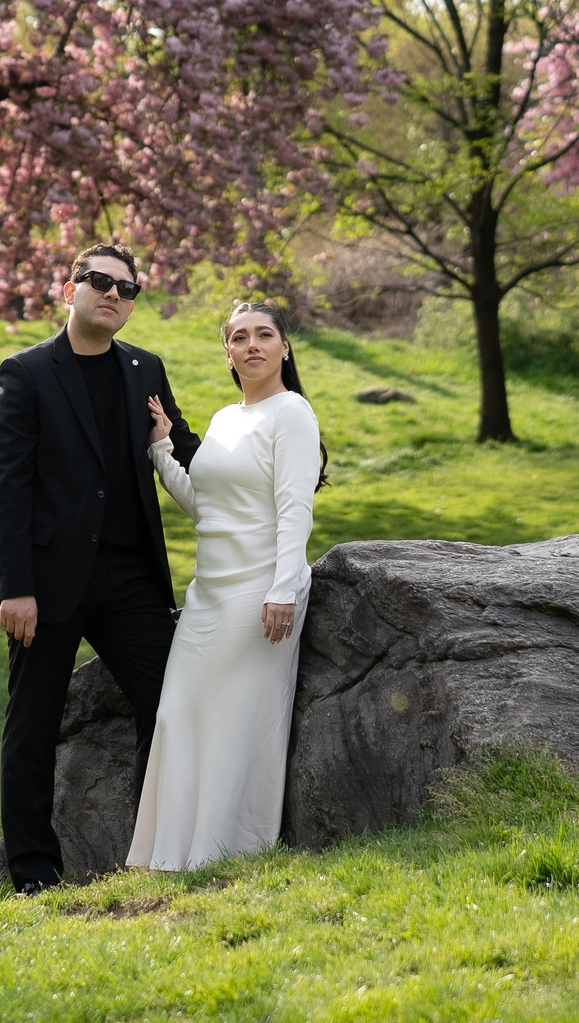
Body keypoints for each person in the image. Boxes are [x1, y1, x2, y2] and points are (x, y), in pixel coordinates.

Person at [0, 241, 200, 894]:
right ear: (69, 288)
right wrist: (14, 587)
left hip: (131, 579)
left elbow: (184, 450)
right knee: (33, 726)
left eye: (127, 288)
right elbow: (5, 486)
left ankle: (156, 850)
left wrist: (270, 465)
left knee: (170, 703)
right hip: (46, 585)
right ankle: (33, 874)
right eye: (100, 281)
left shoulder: (146, 369)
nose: (113, 294)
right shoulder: (25, 373)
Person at [126, 299, 326, 871]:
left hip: (261, 588)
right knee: (177, 713)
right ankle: (170, 854)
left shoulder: (293, 414)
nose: (252, 345)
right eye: (240, 338)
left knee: (233, 721)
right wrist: (163, 448)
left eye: (265, 335)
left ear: (284, 347)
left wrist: (283, 588)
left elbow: (295, 509)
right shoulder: (222, 420)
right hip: (208, 590)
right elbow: (204, 508)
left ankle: (224, 853)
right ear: (229, 353)